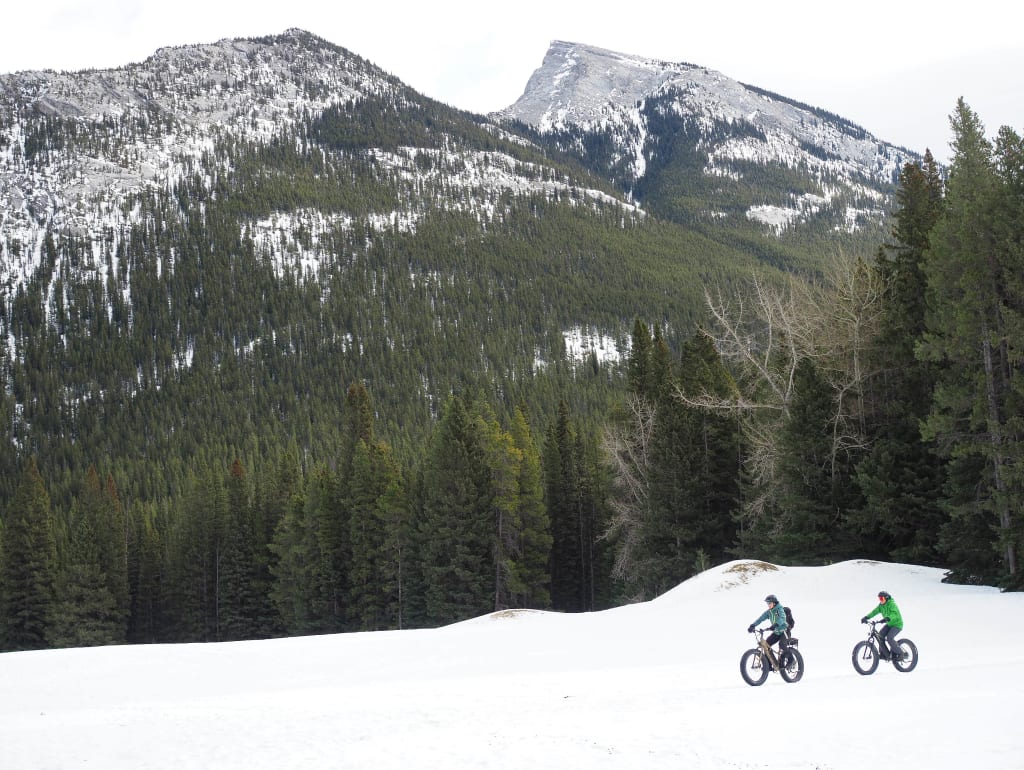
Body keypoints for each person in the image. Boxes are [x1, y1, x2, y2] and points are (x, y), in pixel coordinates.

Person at [747, 594, 789, 667]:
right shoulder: (769, 612)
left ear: (774, 603)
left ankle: (791, 660)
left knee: (782, 645)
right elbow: (761, 619)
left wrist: (776, 624)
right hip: (776, 632)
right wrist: (753, 625)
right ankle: (769, 665)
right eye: (767, 603)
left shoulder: (779, 609)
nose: (768, 605)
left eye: (770, 603)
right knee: (766, 645)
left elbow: (782, 617)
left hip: (784, 631)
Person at [861, 590, 904, 660]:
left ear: (886, 598)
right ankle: (884, 654)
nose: (880, 600)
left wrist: (888, 618)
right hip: (889, 624)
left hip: (897, 625)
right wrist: (866, 617)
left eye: (882, 598)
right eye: (879, 598)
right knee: (880, 636)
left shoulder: (892, 604)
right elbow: (874, 612)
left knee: (889, 637)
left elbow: (894, 614)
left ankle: (900, 653)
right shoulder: (881, 606)